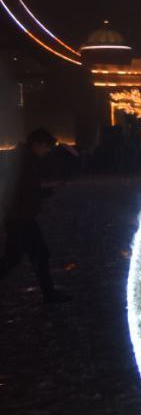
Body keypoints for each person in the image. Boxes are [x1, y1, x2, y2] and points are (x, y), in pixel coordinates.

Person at [1, 129, 70, 303]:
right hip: (21, 217)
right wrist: (48, 190)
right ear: (37, 144)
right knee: (36, 255)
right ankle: (49, 294)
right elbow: (27, 191)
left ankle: (49, 293)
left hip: (18, 216)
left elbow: (26, 190)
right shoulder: (26, 162)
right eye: (46, 147)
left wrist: (47, 191)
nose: (47, 151)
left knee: (16, 257)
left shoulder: (23, 159)